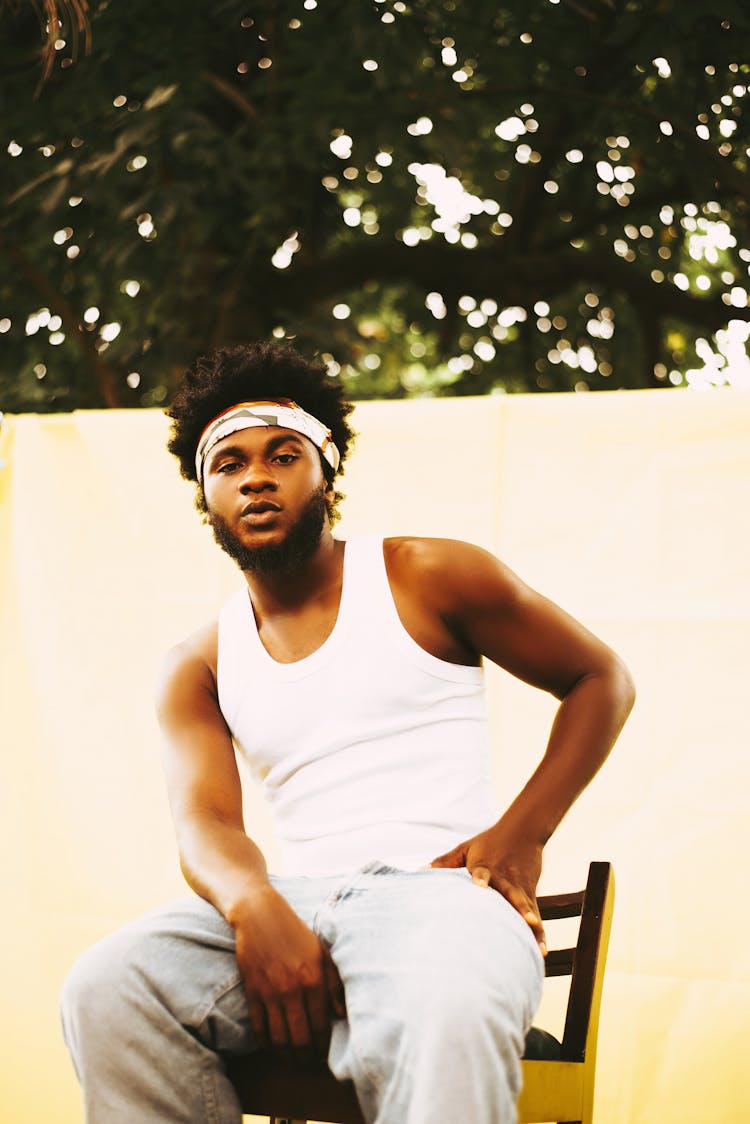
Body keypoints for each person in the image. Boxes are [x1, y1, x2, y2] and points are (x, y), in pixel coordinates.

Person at [60, 340, 635, 1124]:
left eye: (282, 454)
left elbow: (602, 679)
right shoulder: (197, 663)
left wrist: (522, 833)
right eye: (228, 465)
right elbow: (206, 825)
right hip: (291, 908)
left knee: (451, 1004)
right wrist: (254, 906)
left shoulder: (429, 575)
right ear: (207, 499)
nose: (255, 475)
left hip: (443, 900)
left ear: (325, 470)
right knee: (107, 988)